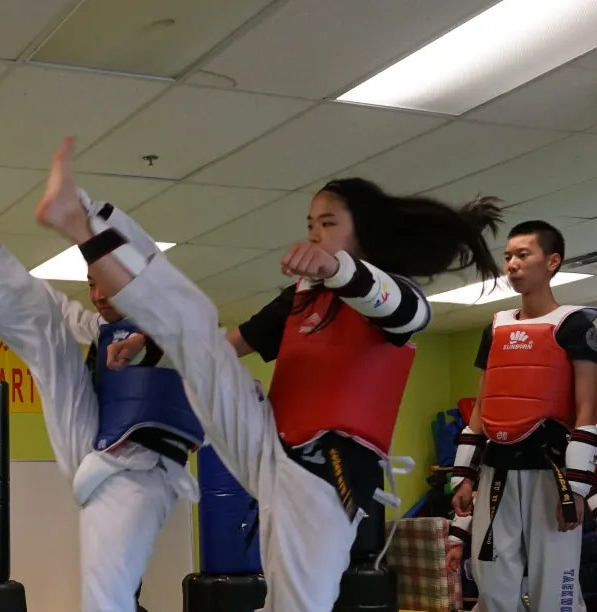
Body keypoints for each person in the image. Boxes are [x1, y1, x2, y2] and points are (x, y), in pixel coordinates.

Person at [32, 137, 503, 610]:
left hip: (328, 474)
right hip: (269, 445)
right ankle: (83, 219)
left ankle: (80, 220)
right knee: (194, 324)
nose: (315, 234)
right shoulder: (303, 297)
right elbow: (225, 345)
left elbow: (406, 312)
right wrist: (153, 346)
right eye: (310, 225)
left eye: (328, 224)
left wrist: (337, 267)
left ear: (364, 232)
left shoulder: (397, 296)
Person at [0, 202, 202, 612]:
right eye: (91, 284)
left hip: (140, 471)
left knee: (108, 596)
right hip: (97, 451)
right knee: (47, 332)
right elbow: (59, 312)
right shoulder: (104, 328)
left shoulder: (170, 321)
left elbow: (175, 320)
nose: (98, 296)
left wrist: (94, 210)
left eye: (107, 283)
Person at [451, 220, 597, 612]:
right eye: (508, 256)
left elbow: (588, 407)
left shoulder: (576, 323)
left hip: (551, 473)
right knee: (492, 581)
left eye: (523, 254)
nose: (512, 264)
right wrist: (464, 476)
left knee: (555, 585)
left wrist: (577, 488)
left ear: (552, 261)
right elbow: (482, 406)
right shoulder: (494, 328)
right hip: (496, 471)